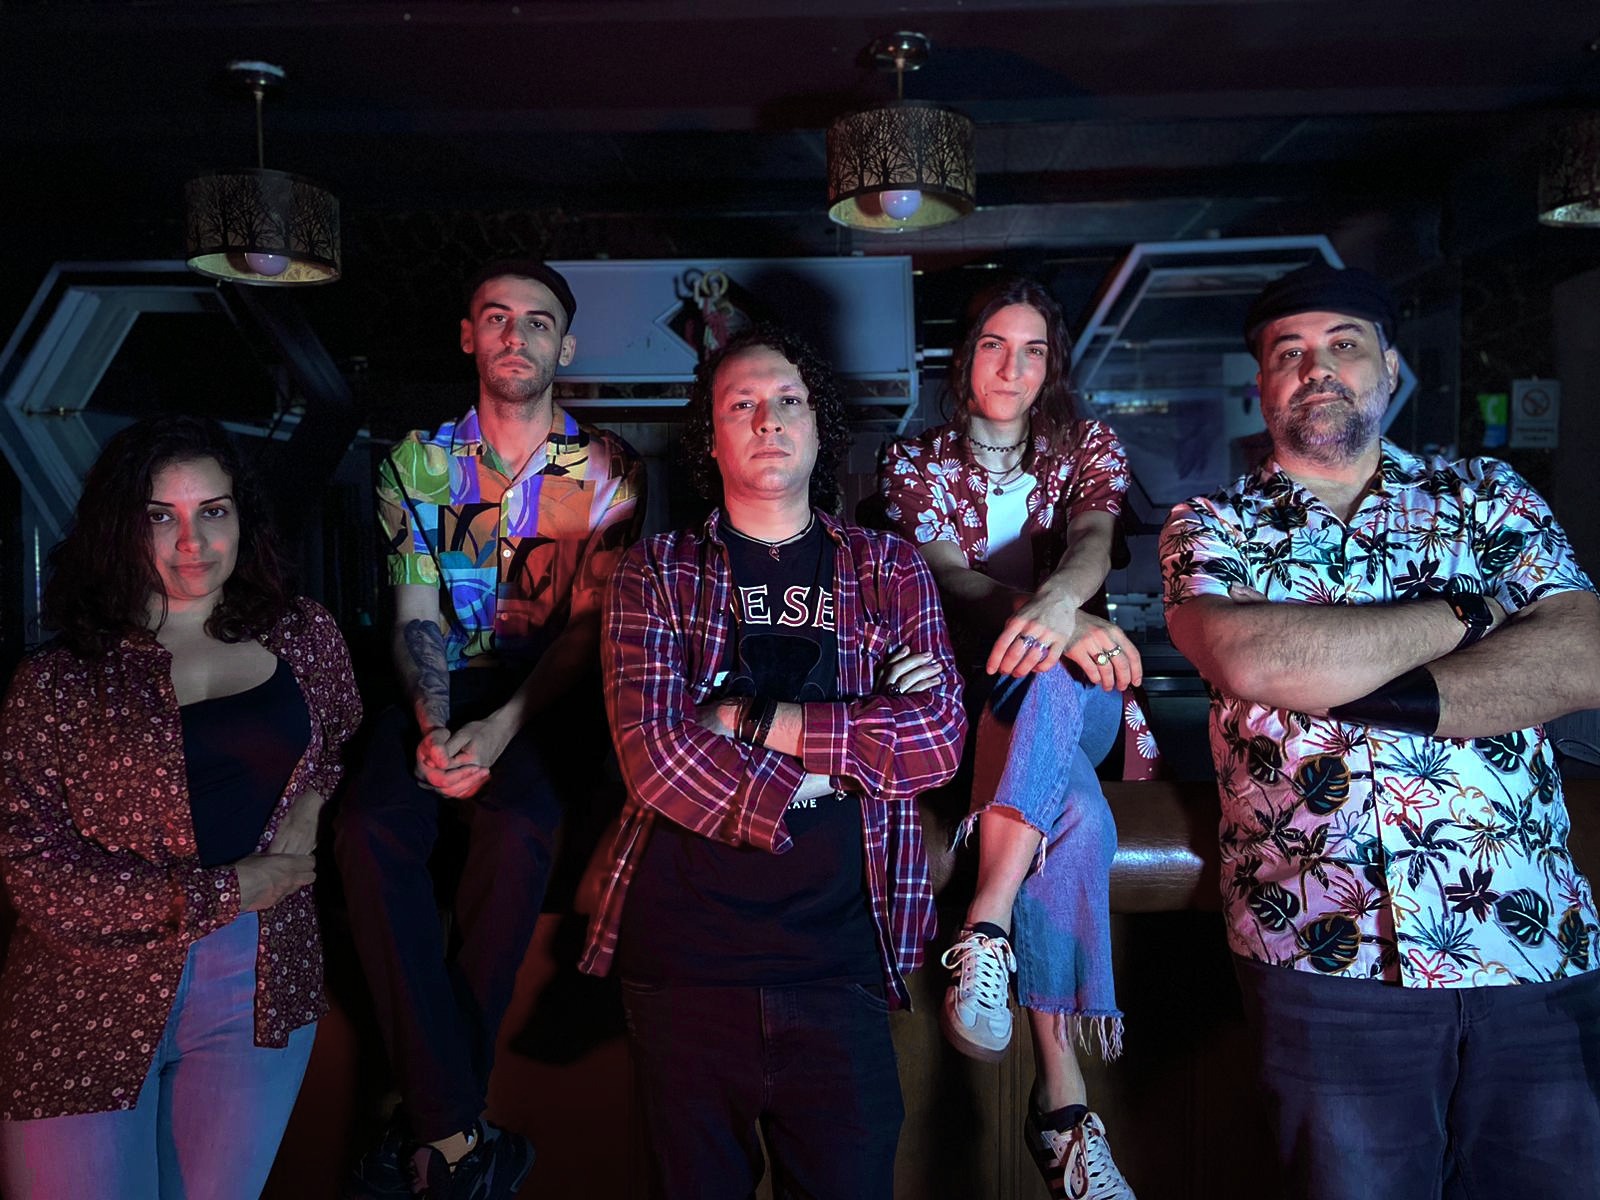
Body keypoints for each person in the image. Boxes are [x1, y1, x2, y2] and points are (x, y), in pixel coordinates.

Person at [1159, 261, 1600, 1199]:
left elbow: (1584, 656)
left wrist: (1350, 680)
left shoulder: (1489, 495)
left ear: (1391, 369)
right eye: (1289, 352)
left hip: (1530, 945)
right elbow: (1251, 657)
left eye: (1343, 344)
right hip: (1326, 957)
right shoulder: (1211, 524)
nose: (1316, 367)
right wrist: (1474, 614)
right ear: (1263, 385)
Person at [580, 326, 967, 1198]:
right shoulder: (656, 572)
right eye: (741, 405)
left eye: (789, 400)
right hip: (685, 964)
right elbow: (657, 761)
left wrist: (742, 719)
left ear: (820, 428)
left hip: (843, 958)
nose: (769, 419)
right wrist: (857, 749)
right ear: (711, 439)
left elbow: (937, 741)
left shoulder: (889, 566)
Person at [336, 259, 645, 1199]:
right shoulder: (415, 463)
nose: (517, 335)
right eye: (497, 318)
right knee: (365, 827)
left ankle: (436, 1123)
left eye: (538, 321)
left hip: (550, 698)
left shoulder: (610, 470)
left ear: (566, 346)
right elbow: (415, 616)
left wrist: (503, 729)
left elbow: (589, 629)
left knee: (516, 830)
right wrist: (435, 725)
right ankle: (460, 1134)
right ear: (469, 337)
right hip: (438, 685)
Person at [0, 415, 360, 1199]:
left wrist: (313, 799)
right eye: (161, 515)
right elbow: (34, 871)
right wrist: (230, 890)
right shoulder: (57, 680)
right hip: (85, 995)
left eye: (212, 511)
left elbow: (339, 731)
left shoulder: (304, 634)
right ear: (121, 527)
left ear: (242, 517)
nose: (192, 542)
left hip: (261, 982)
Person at [879, 276, 1139, 1199]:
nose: (1013, 366)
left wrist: (1062, 612)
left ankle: (985, 924)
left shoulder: (1087, 445)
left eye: (1033, 350)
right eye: (995, 344)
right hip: (967, 703)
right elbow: (950, 575)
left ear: (1051, 365)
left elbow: (1095, 539)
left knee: (1055, 675)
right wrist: (1060, 622)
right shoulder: (912, 461)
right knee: (1080, 819)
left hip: (1081, 691)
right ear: (967, 354)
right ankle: (1063, 1104)